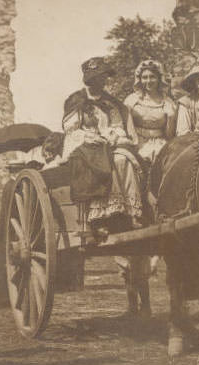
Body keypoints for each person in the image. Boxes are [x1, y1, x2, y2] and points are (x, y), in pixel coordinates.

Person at [119, 59, 175, 317]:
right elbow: (127, 129)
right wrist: (135, 146)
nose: (148, 82)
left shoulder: (168, 103)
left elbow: (171, 133)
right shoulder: (131, 102)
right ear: (139, 79)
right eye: (145, 78)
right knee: (135, 166)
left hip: (162, 144)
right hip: (137, 143)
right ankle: (137, 209)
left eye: (153, 77)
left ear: (158, 79)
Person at [62, 57, 144, 233]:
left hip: (108, 144)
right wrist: (87, 136)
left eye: (103, 77)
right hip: (86, 145)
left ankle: (130, 212)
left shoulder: (110, 102)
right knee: (99, 162)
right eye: (96, 78)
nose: (100, 81)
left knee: (123, 159)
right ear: (88, 79)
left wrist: (113, 136)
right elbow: (71, 129)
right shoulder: (77, 100)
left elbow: (117, 126)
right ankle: (99, 217)